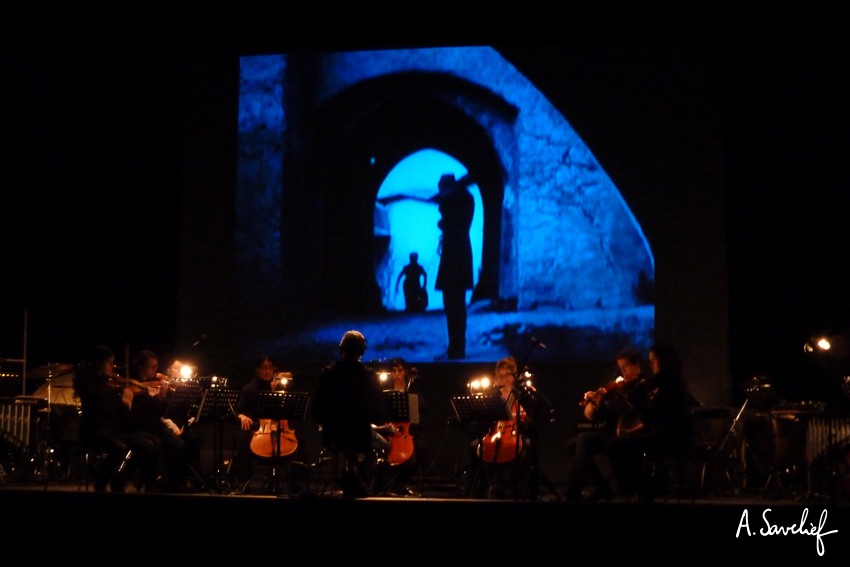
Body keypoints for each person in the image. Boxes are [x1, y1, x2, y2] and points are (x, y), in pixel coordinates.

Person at [605, 342, 697, 500]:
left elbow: (659, 418)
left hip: (669, 438)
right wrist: (633, 431)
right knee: (623, 442)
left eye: (652, 361)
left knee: (614, 445)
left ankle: (632, 489)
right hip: (666, 434)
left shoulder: (666, 379)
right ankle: (642, 490)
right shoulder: (672, 379)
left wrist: (635, 392)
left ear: (661, 361)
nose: (651, 365)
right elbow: (657, 418)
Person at [72, 344, 164, 493]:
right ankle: (103, 482)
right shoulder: (89, 382)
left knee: (153, 441)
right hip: (96, 430)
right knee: (132, 445)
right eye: (109, 363)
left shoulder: (104, 383)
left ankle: (136, 482)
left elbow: (116, 409)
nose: (112, 367)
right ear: (98, 363)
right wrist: (126, 400)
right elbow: (103, 406)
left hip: (111, 428)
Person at [564, 346, 649, 501]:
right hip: (612, 431)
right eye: (620, 368)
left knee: (583, 439)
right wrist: (594, 407)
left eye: (625, 367)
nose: (623, 372)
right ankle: (602, 486)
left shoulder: (644, 384)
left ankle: (574, 490)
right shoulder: (619, 386)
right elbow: (606, 413)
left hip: (631, 433)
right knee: (573, 444)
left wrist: (604, 403)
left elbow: (626, 409)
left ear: (636, 364)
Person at [312, 330, 386, 497]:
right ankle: (362, 481)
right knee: (380, 447)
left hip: (332, 434)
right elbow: (375, 411)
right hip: (359, 434)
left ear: (341, 349)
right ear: (362, 351)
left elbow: (316, 410)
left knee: (347, 445)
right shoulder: (368, 376)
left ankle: (347, 477)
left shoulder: (327, 374)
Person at [128, 349, 199, 492]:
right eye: (151, 366)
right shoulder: (132, 385)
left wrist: (162, 398)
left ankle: (176, 482)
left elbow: (161, 412)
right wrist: (151, 398)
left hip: (155, 425)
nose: (155, 369)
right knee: (170, 443)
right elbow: (134, 412)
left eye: (156, 366)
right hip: (141, 425)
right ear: (141, 366)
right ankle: (163, 482)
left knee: (183, 442)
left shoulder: (155, 384)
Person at [232, 355, 302, 493]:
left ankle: (295, 483)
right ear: (257, 369)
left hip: (279, 426)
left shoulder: (281, 386)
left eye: (270, 368)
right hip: (258, 427)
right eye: (264, 368)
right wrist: (241, 416)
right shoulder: (249, 389)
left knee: (299, 443)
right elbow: (238, 410)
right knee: (243, 441)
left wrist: (281, 389)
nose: (267, 371)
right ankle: (243, 482)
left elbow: (290, 407)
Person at [432, 173, 474, 359]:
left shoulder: (452, 200)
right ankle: (458, 347)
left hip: (452, 255)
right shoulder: (467, 198)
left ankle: (455, 349)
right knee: (459, 305)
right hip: (462, 253)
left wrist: (443, 222)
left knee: (452, 305)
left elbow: (446, 218)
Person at [377, 357, 429, 496]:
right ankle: (385, 484)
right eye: (394, 371)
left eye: (400, 370)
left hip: (406, 431)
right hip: (388, 430)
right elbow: (378, 413)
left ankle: (399, 482)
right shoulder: (384, 392)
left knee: (421, 449)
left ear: (406, 372)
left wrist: (413, 401)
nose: (397, 374)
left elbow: (423, 409)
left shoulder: (413, 390)